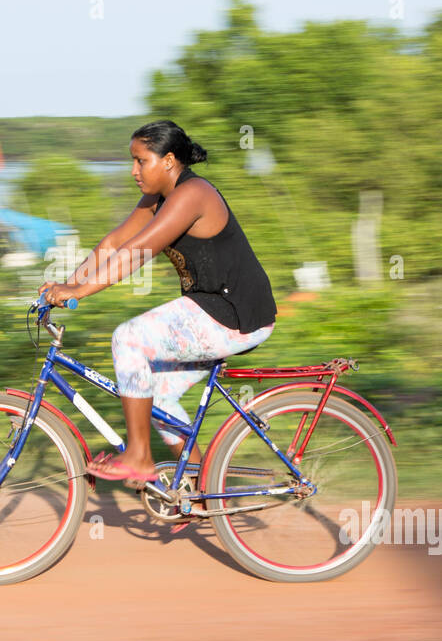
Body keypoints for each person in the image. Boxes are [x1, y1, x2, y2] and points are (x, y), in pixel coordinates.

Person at [37, 119, 278, 483]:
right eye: (132, 161)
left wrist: (79, 292)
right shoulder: (159, 198)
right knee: (157, 396)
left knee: (128, 338)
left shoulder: (193, 194)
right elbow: (112, 245)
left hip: (235, 314)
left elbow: (136, 253)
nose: (134, 171)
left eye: (141, 161)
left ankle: (139, 457)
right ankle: (196, 491)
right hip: (211, 309)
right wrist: (66, 286)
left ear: (168, 161)